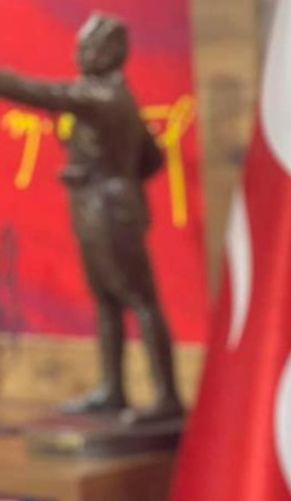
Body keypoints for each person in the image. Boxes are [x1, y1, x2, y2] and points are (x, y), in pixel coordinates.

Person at [0, 13, 182, 424]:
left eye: (89, 47)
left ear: (112, 52)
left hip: (108, 205)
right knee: (106, 298)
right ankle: (112, 389)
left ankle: (166, 396)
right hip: (96, 199)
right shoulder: (113, 97)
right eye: (80, 46)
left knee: (140, 299)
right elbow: (153, 157)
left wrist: (111, 176)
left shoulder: (104, 96)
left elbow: (38, 92)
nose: (80, 54)